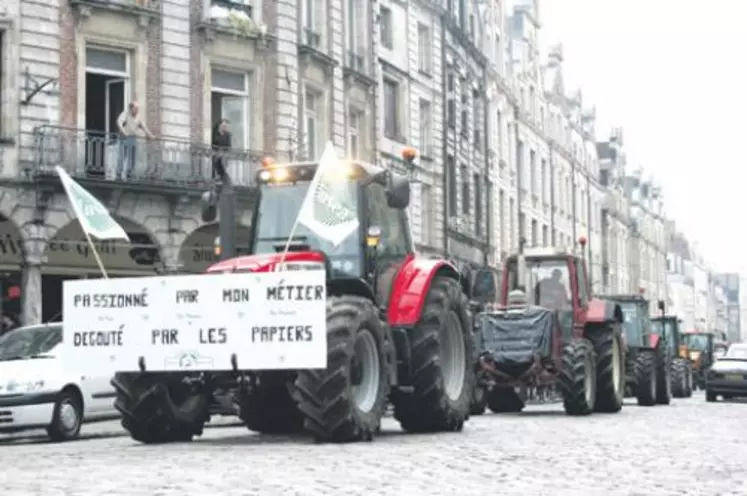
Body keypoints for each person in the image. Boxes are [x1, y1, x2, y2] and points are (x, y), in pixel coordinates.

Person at [116, 100, 154, 181]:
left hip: (132, 138)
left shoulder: (138, 116)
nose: (137, 110)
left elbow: (144, 127)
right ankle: (119, 174)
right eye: (136, 108)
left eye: (138, 108)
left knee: (132, 157)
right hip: (124, 137)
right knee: (122, 156)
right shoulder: (126, 113)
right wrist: (124, 131)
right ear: (131, 108)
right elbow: (119, 122)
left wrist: (150, 135)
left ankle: (129, 173)